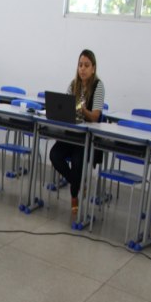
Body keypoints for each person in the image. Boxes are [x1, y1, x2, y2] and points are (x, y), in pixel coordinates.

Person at [49, 49, 104, 213]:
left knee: (77, 161)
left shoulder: (98, 86)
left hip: (86, 139)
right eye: (80, 65)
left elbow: (94, 117)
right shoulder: (73, 84)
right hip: (70, 134)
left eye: (86, 65)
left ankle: (74, 196)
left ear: (93, 68)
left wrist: (83, 110)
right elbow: (65, 106)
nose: (82, 69)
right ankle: (78, 183)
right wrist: (62, 110)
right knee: (54, 155)